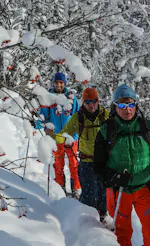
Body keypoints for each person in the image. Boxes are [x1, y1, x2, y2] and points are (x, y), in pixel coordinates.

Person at [93, 84, 150, 246]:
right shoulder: (106, 131)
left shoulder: (147, 127)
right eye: (122, 105)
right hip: (120, 190)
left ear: (136, 105)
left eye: (131, 104)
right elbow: (98, 165)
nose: (127, 109)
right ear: (115, 107)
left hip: (144, 188)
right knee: (123, 235)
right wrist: (112, 177)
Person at [55, 88, 110, 219]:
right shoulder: (78, 118)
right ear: (83, 103)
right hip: (87, 163)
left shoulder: (106, 116)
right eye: (88, 102)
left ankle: (102, 218)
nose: (92, 105)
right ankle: (85, 224)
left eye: (94, 101)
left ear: (98, 101)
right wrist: (53, 140)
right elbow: (63, 133)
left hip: (104, 163)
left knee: (104, 196)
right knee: (89, 196)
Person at [35, 72, 81, 197]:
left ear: (64, 83)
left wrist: (76, 135)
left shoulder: (71, 98)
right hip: (55, 138)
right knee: (58, 164)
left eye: (61, 82)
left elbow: (78, 116)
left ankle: (76, 188)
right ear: (53, 83)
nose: (59, 85)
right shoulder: (48, 98)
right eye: (57, 82)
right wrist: (36, 123)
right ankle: (60, 187)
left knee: (74, 164)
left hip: (71, 137)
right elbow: (43, 116)